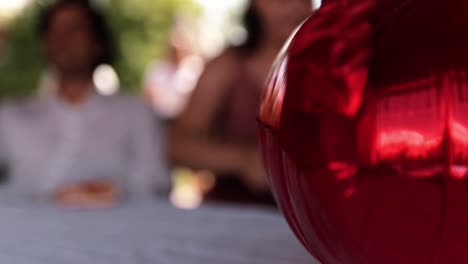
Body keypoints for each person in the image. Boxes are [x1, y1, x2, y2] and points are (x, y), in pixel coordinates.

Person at [0, 0, 170, 206]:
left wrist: (111, 191)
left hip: (112, 230)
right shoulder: (11, 115)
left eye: (75, 29)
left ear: (98, 42)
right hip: (25, 230)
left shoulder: (134, 112)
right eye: (53, 32)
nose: (62, 39)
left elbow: (155, 183)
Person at [169, 0, 313, 205]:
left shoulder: (333, 68)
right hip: (238, 212)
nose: (291, 7)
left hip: (318, 217)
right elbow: (177, 147)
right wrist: (242, 160)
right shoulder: (226, 67)